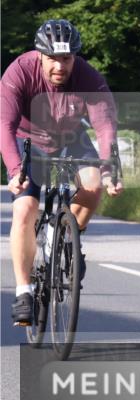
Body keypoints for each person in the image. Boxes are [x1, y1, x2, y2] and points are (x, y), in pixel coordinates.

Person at [2, 19, 122, 325]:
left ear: (75, 57)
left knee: (93, 185)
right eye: (52, 58)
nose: (59, 66)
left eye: (66, 59)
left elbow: (105, 127)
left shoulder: (88, 78)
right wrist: (15, 170)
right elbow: (4, 125)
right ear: (40, 55)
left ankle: (67, 238)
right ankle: (24, 292)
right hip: (28, 140)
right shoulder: (19, 72)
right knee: (25, 208)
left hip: (70, 138)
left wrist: (109, 169)